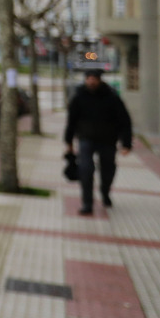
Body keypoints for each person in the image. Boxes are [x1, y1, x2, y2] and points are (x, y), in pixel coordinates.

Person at [64, 69, 132, 215]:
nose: (91, 81)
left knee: (108, 170)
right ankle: (87, 203)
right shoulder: (79, 97)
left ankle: (105, 192)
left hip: (108, 140)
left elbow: (124, 121)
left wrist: (126, 143)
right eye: (89, 78)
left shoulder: (111, 97)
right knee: (86, 170)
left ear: (100, 80)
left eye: (94, 78)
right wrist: (68, 142)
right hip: (86, 139)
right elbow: (71, 121)